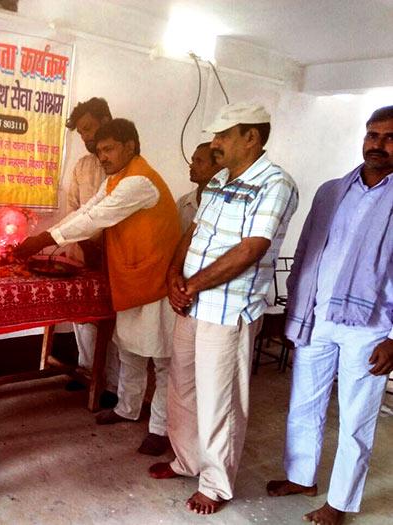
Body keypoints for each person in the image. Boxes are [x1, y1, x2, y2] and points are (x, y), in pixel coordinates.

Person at [155, 102, 298, 515]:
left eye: (223, 135)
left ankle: (216, 484)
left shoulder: (275, 183)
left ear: (250, 137)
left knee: (221, 400)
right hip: (193, 302)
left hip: (229, 308)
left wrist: (193, 284)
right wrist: (173, 275)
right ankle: (186, 461)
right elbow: (196, 233)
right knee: (182, 384)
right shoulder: (218, 181)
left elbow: (252, 248)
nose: (215, 143)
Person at [15, 118, 181, 457]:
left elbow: (97, 218)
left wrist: (43, 239)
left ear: (130, 146)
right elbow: (86, 210)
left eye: (108, 149)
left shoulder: (140, 182)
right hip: (131, 278)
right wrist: (45, 239)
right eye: (100, 150)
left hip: (156, 280)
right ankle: (126, 409)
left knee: (163, 361)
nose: (102, 156)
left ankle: (161, 429)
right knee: (130, 351)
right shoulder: (116, 179)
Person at [266, 105, 393, 525]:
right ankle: (301, 477)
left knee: (356, 418)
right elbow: (306, 253)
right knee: (304, 403)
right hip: (318, 317)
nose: (378, 145)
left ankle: (339, 502)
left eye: (390, 138)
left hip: (372, 327)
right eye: (372, 135)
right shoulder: (331, 191)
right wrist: (296, 313)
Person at [63, 97, 120, 404]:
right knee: (81, 315)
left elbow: (115, 213)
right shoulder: (82, 166)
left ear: (105, 120)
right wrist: (80, 243)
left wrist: (100, 244)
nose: (85, 136)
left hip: (115, 254)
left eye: (88, 128)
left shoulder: (124, 164)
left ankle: (109, 384)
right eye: (81, 132)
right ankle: (86, 371)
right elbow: (74, 209)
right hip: (84, 252)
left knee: (110, 321)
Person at [176, 142, 221, 233]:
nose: (191, 165)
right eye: (193, 160)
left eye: (199, 161)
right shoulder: (183, 203)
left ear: (218, 166)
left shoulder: (226, 204)